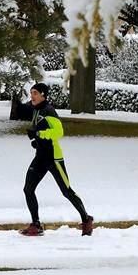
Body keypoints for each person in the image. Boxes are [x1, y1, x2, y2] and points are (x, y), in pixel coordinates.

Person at [10, 82, 94, 236]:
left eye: (35, 93)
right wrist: (37, 140)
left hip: (53, 158)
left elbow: (59, 132)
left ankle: (86, 219)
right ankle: (36, 224)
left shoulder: (49, 111)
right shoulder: (36, 110)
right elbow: (25, 115)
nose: (32, 96)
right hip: (40, 157)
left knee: (66, 191)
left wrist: (40, 135)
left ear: (43, 94)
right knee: (28, 189)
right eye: (31, 93)